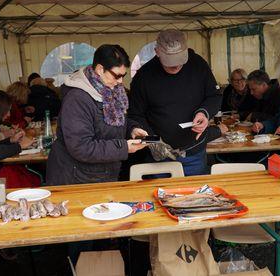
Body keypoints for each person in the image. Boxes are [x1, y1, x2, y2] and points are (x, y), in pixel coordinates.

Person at [46, 44, 147, 186]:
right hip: (77, 178)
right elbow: (81, 147)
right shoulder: (77, 99)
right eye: (117, 75)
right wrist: (123, 148)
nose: (120, 81)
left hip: (100, 174)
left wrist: (132, 129)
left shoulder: (112, 90)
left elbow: (114, 121)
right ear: (100, 69)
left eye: (123, 76)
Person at [128, 29, 221, 176]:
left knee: (196, 195)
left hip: (193, 152)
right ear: (157, 52)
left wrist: (204, 112)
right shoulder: (144, 76)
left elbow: (214, 96)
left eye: (180, 62)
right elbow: (135, 115)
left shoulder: (198, 65)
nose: (176, 67)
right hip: (159, 157)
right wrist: (153, 141)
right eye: (170, 63)